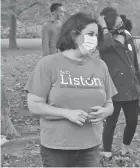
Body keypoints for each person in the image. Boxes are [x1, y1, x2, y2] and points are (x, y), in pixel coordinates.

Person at [24, 12, 117, 167]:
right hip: (57, 148)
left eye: (96, 35)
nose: (94, 39)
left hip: (91, 147)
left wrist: (105, 111)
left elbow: (110, 104)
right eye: (90, 34)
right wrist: (66, 113)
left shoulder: (100, 66)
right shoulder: (48, 64)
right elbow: (34, 105)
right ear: (74, 34)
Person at [98, 7, 140, 158]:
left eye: (121, 21)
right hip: (114, 88)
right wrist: (103, 27)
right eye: (117, 22)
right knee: (111, 122)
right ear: (109, 26)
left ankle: (125, 148)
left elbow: (134, 63)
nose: (121, 24)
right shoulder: (104, 40)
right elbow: (107, 45)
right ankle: (107, 151)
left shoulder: (128, 37)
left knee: (133, 120)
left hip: (131, 87)